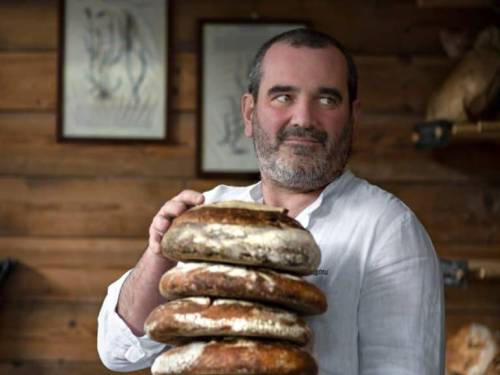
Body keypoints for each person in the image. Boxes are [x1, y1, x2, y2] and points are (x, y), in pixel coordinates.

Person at [97, 28, 445, 374]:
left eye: (326, 99)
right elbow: (118, 351)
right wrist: (159, 255)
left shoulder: (387, 229)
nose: (304, 119)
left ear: (353, 117)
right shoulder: (208, 214)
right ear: (249, 113)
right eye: (283, 97)